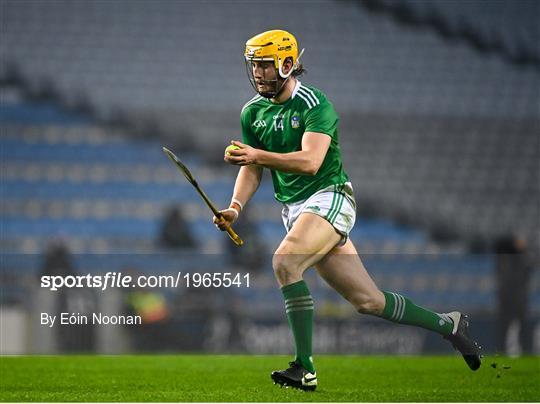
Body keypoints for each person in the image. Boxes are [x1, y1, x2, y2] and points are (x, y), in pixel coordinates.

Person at [214, 29, 481, 391]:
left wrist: (256, 154)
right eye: (254, 65)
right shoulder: (252, 112)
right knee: (369, 301)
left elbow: (310, 162)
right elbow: (252, 168)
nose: (258, 73)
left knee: (284, 262)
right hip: (295, 210)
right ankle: (450, 326)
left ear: (287, 64)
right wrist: (235, 207)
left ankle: (303, 368)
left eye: (264, 64)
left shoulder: (314, 104)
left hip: (331, 196)